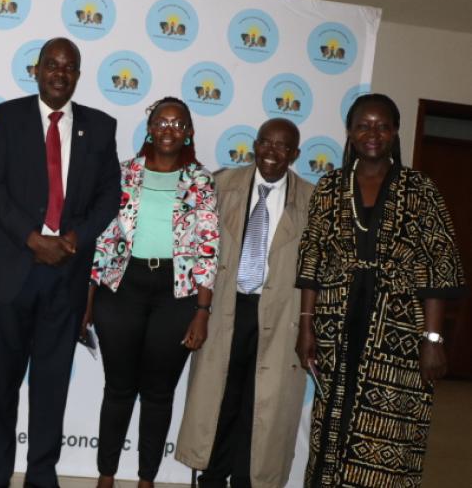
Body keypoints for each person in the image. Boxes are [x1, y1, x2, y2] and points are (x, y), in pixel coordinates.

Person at [295, 94, 466, 488]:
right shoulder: (330, 187)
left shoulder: (420, 189)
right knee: (332, 418)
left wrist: (433, 339)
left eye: (382, 126)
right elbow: (311, 260)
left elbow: (438, 267)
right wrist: (306, 327)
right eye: (363, 125)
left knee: (389, 424)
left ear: (395, 132)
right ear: (350, 132)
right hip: (335, 324)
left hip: (399, 331)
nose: (372, 133)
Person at [0, 37, 121, 488]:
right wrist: (31, 238)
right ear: (36, 70)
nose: (60, 73)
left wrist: (75, 238)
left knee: (52, 385)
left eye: (69, 66)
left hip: (66, 276)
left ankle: (41, 475)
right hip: (13, 273)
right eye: (52, 65)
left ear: (77, 75)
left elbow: (109, 196)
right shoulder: (8, 117)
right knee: (3, 386)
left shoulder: (101, 127)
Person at [87, 97, 219, 487]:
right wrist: (88, 297)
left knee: (159, 394)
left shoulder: (200, 180)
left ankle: (147, 479)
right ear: (150, 127)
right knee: (118, 388)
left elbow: (208, 247)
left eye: (178, 124)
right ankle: (106, 475)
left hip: (176, 294)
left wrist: (202, 311)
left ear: (189, 132)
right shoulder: (123, 173)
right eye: (162, 121)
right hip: (121, 288)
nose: (168, 129)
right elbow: (103, 238)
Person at [176, 118, 313, 488]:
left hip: (280, 313)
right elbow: (196, 249)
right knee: (221, 395)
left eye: (282, 146)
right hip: (226, 306)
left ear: (295, 154)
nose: (271, 151)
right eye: (265, 142)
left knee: (262, 401)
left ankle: (246, 479)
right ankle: (212, 476)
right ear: (255, 144)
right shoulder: (221, 185)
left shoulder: (312, 199)